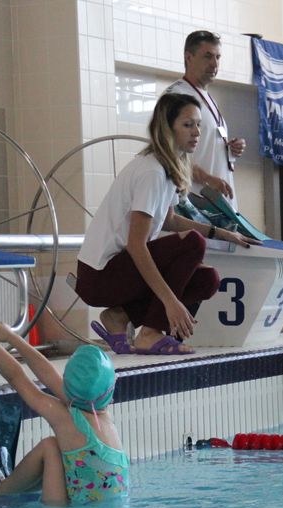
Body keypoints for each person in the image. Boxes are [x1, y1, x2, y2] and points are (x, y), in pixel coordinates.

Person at [76, 93, 257, 356]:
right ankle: (149, 333)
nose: (196, 132)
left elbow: (170, 220)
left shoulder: (167, 168)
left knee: (207, 279)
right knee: (193, 243)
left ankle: (119, 317)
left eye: (198, 125)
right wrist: (170, 303)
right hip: (98, 275)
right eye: (188, 125)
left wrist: (222, 233)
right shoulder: (151, 171)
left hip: (117, 270)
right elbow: (136, 246)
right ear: (167, 128)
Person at [0, 322, 129, 506]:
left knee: (50, 446)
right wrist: (10, 336)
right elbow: (48, 373)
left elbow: (16, 377)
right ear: (110, 389)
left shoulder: (68, 420)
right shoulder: (103, 418)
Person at [164, 30, 245, 211]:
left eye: (218, 57)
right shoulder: (176, 96)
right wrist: (207, 178)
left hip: (219, 203)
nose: (214, 64)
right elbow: (168, 153)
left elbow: (206, 146)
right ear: (189, 57)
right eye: (207, 56)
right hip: (194, 203)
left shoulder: (208, 98)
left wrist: (230, 149)